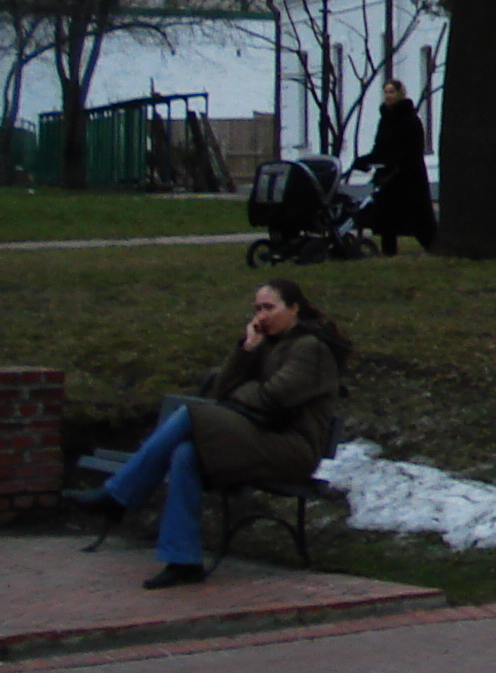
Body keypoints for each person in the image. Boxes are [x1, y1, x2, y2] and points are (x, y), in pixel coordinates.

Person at [79, 280, 351, 589]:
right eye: (257, 309)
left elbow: (272, 400)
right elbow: (223, 391)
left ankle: (118, 496)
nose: (261, 316)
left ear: (294, 308)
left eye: (269, 308)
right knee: (186, 454)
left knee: (190, 414)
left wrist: (243, 391)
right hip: (259, 438)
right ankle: (183, 560)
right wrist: (247, 351)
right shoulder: (268, 345)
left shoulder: (311, 348)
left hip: (291, 449)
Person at [356, 77, 436, 255]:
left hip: (408, 176)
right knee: (387, 219)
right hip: (388, 177)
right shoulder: (385, 120)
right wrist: (367, 160)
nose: (388, 96)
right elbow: (380, 147)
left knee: (416, 217)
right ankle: (388, 252)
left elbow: (413, 149)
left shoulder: (410, 119)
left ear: (400, 94)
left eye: (392, 92)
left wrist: (395, 163)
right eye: (386, 92)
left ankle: (432, 247)